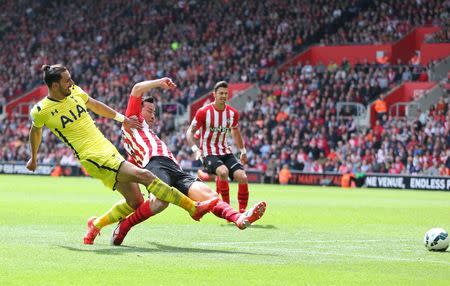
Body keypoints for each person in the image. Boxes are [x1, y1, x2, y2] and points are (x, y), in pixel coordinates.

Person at [27, 64, 218, 244]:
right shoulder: (41, 111)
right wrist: (33, 158)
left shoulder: (75, 91)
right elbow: (36, 132)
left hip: (106, 149)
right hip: (92, 157)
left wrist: (122, 118)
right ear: (54, 85)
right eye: (67, 80)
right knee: (145, 176)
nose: (71, 82)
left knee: (136, 202)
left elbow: (95, 105)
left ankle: (96, 224)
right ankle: (192, 207)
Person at [107, 78, 266, 245]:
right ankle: (124, 226)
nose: (153, 116)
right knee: (160, 203)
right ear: (138, 111)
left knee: (209, 195)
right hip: (155, 164)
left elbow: (133, 162)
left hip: (175, 168)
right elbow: (137, 88)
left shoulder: (146, 133)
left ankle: (238, 218)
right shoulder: (132, 121)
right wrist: (160, 82)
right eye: (149, 111)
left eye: (155, 112)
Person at [186, 81, 255, 213]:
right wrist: (195, 150)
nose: (223, 96)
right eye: (221, 93)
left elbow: (235, 132)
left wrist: (243, 151)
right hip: (208, 152)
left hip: (225, 151)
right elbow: (190, 132)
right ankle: (227, 209)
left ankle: (242, 212)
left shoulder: (232, 113)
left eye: (225, 93)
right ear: (214, 94)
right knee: (223, 172)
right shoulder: (204, 112)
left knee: (243, 177)